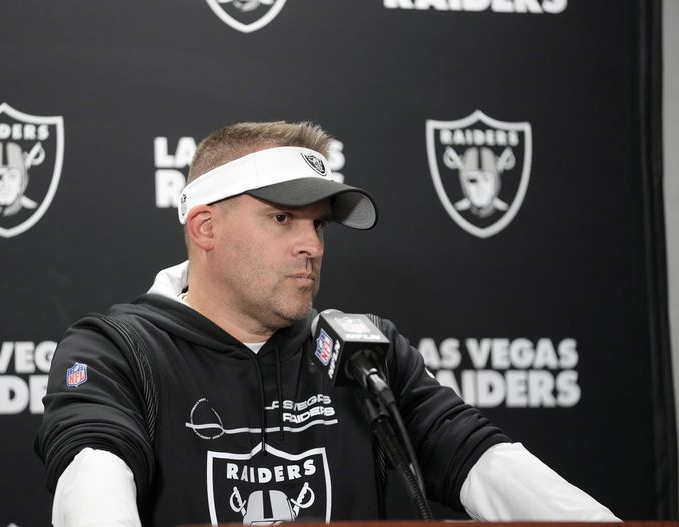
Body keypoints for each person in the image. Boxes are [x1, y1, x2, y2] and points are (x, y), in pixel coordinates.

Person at [35, 121, 618, 526]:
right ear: (205, 228)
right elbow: (95, 489)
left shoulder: (361, 349)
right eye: (283, 218)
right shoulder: (118, 350)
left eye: (319, 226)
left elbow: (477, 457)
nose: (310, 245)